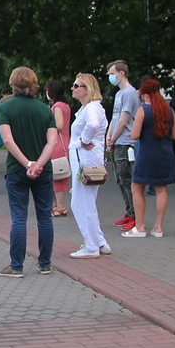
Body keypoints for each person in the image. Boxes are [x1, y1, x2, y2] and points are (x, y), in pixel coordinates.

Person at [0, 67, 59, 276]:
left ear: (14, 83)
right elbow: (52, 141)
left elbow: (7, 140)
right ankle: (45, 263)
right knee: (45, 218)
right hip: (44, 171)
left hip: (17, 170)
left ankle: (16, 266)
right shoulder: (45, 109)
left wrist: (27, 164)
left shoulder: (6, 108)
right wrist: (39, 164)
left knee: (19, 218)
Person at [122, 78, 175, 239]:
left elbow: (134, 135)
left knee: (137, 188)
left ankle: (139, 227)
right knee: (161, 190)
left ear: (145, 94)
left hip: (146, 155)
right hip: (165, 155)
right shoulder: (169, 110)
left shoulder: (143, 110)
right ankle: (158, 228)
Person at [68, 74, 111, 257]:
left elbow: (93, 124)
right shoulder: (89, 108)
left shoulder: (91, 108)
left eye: (77, 85)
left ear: (87, 89)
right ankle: (99, 242)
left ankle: (92, 245)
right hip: (87, 158)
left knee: (81, 203)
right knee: (86, 202)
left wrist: (84, 139)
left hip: (85, 158)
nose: (73, 88)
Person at [104, 61, 138, 231]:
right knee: (119, 179)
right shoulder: (119, 94)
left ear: (121, 73)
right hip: (117, 141)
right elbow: (115, 118)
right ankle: (129, 212)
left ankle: (135, 215)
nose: (111, 76)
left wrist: (114, 138)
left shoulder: (130, 94)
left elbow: (124, 121)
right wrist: (109, 137)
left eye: (112, 73)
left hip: (125, 142)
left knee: (126, 179)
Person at [47, 80, 72, 217]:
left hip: (57, 142)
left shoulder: (57, 106)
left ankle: (60, 206)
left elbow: (60, 125)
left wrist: (47, 127)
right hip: (64, 141)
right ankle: (57, 205)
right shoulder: (65, 105)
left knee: (57, 174)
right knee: (59, 173)